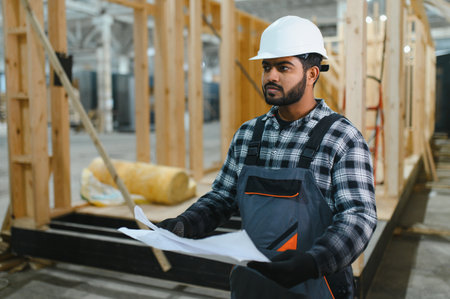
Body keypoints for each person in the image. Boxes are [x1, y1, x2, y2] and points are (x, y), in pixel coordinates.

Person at [158, 16, 377, 299]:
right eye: (266, 67)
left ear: (312, 74)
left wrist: (314, 262)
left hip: (316, 286)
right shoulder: (248, 134)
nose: (271, 76)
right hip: (253, 284)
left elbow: (359, 216)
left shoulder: (340, 137)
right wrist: (185, 224)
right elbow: (223, 197)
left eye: (283, 67)